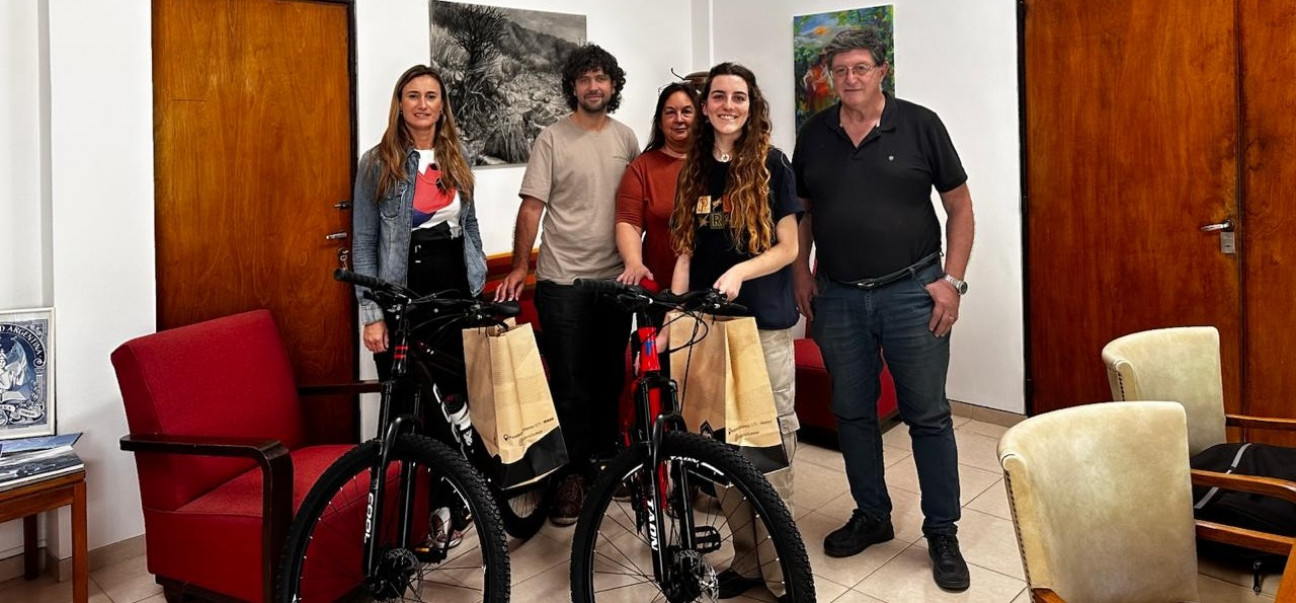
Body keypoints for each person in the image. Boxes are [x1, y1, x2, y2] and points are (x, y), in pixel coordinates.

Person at [792, 28, 976, 592]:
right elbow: (801, 212)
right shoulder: (815, 132)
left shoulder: (920, 124)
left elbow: (960, 208)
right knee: (852, 412)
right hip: (840, 296)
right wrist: (801, 272)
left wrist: (953, 281)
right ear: (829, 76)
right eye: (839, 71)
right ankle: (871, 514)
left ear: (881, 71)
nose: (849, 79)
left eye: (860, 68)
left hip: (912, 291)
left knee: (928, 416)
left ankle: (942, 532)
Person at [668, 62, 801, 602]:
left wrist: (742, 271)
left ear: (752, 106)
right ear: (705, 107)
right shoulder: (694, 170)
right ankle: (748, 564)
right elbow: (685, 252)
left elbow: (788, 247)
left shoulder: (772, 165)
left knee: (769, 453)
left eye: (739, 97)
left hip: (761, 327)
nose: (728, 105)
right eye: (718, 96)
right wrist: (672, 317)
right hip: (707, 329)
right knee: (721, 454)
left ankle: (784, 574)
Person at [495, 44, 639, 526]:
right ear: (572, 87)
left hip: (615, 281)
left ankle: (604, 465)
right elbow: (532, 208)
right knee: (571, 384)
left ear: (613, 86)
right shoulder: (552, 139)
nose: (593, 86)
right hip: (562, 282)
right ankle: (570, 477)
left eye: (601, 78)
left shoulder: (627, 138)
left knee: (609, 380)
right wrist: (519, 267)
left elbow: (640, 206)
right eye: (584, 79)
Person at [351, 64, 487, 395]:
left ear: (442, 107)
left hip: (456, 290)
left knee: (456, 393)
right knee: (404, 393)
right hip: (404, 292)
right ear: (400, 104)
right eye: (413, 96)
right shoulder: (377, 162)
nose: (422, 104)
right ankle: (406, 451)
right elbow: (364, 242)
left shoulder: (458, 157)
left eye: (431, 96)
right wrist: (371, 314)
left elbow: (469, 223)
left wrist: (479, 275)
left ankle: (449, 451)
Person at [614, 81, 698, 287]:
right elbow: (629, 223)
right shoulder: (642, 167)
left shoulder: (717, 163)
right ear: (660, 122)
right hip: (661, 290)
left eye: (687, 111)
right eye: (670, 112)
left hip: (716, 287)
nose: (679, 119)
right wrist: (633, 262)